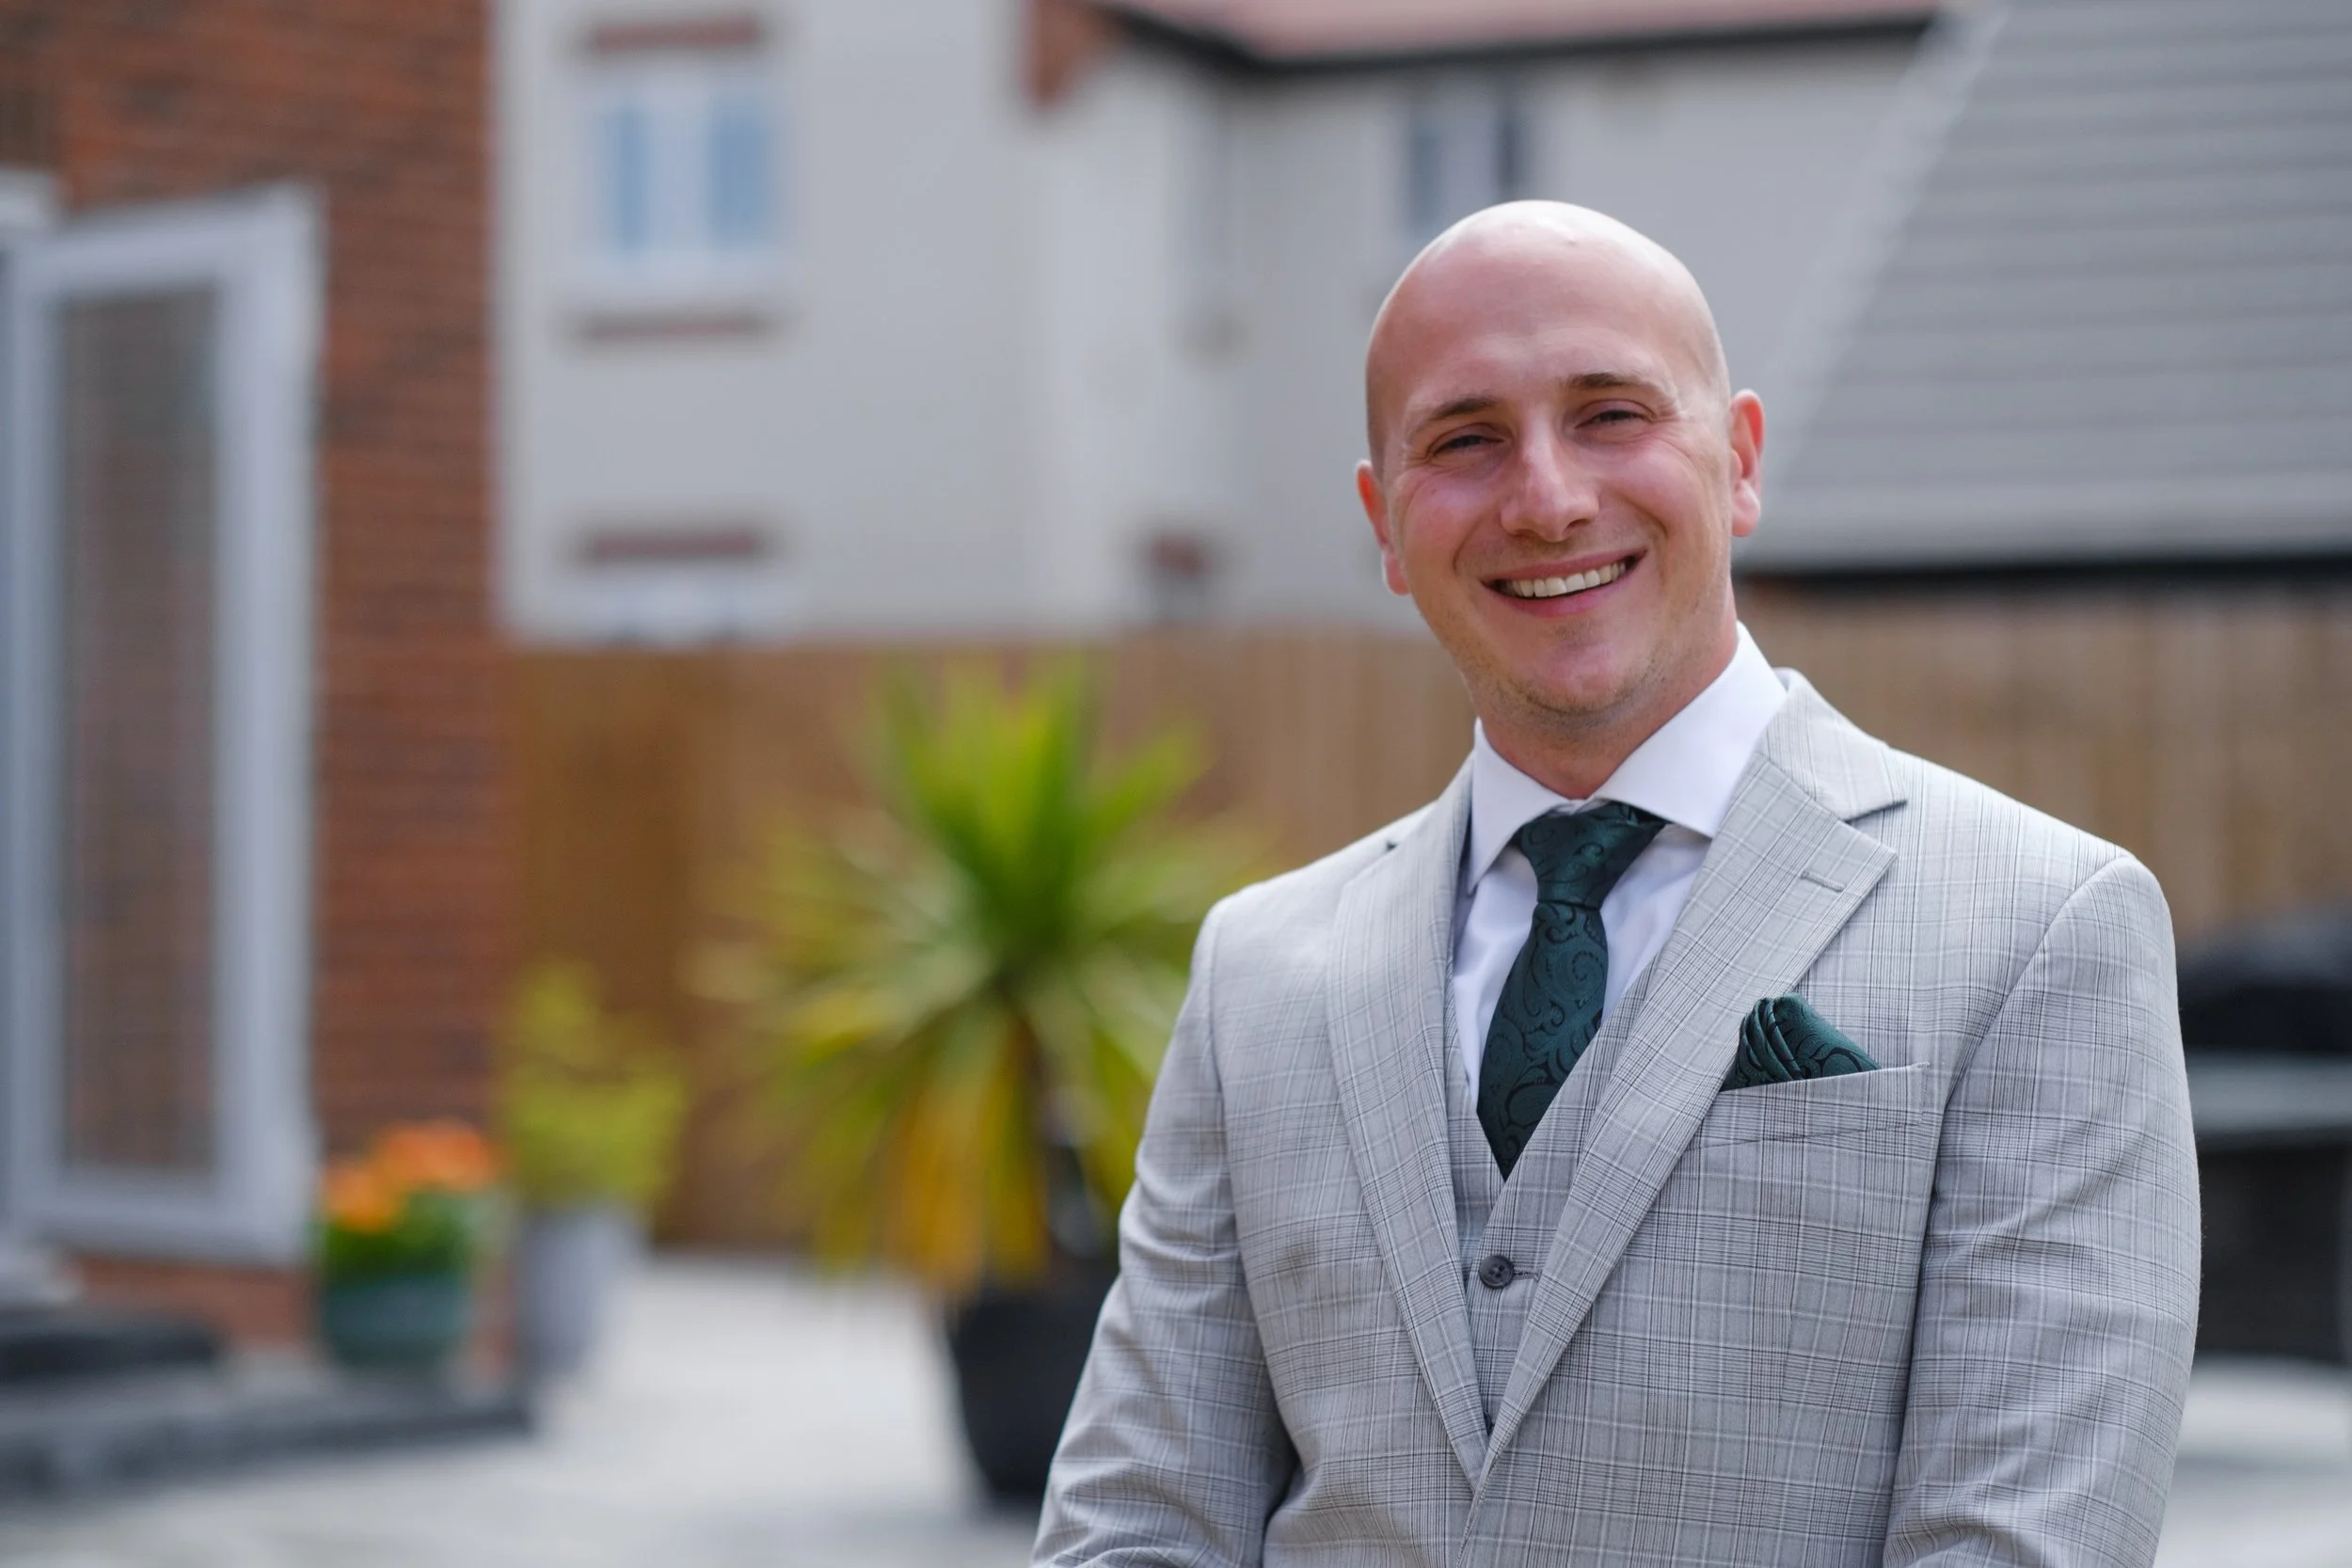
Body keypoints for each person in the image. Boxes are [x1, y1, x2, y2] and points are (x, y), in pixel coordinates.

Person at [1033, 202, 2199, 1568]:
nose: (1547, 498)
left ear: (1742, 460)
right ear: (1386, 526)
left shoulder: (2041, 928)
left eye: (1611, 413)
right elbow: (1135, 1520)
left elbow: (2023, 1541)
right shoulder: (1259, 971)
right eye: (1465, 439)